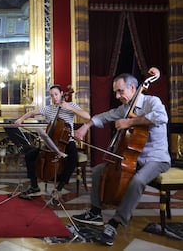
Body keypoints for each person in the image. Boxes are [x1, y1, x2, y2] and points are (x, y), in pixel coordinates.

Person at [72, 68, 170, 246]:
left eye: (120, 91)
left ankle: (116, 223)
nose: (117, 96)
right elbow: (103, 117)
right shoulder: (125, 108)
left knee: (138, 181)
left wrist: (131, 121)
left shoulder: (151, 101)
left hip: (156, 158)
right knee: (98, 170)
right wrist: (85, 127)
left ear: (133, 88)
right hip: (133, 158)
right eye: (115, 92)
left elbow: (161, 117)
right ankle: (95, 211)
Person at [14, 84, 90, 198]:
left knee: (72, 159)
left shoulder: (71, 105)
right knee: (29, 156)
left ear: (62, 94)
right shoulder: (49, 108)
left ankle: (59, 189)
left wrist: (70, 108)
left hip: (67, 141)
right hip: (50, 143)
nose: (54, 97)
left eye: (56, 94)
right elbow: (32, 113)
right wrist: (21, 119)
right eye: (51, 95)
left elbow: (87, 116)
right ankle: (34, 187)